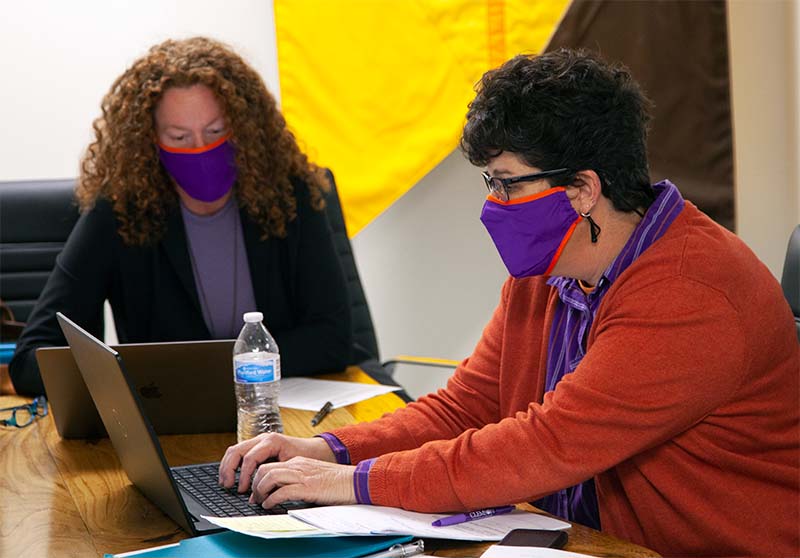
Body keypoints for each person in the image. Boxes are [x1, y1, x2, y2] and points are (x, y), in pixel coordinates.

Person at [218, 49, 800, 557]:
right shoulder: (547, 270)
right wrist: (327, 449)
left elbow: (544, 445)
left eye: (506, 182)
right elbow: (467, 407)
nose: (493, 204)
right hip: (581, 538)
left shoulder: (692, 293)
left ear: (581, 190)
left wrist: (350, 482)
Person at [10, 37, 352, 396]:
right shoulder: (119, 214)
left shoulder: (290, 195)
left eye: (216, 131)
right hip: (172, 430)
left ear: (245, 127)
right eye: (179, 136)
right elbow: (31, 363)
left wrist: (195, 372)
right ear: (149, 141)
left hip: (287, 414)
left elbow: (334, 339)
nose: (200, 148)